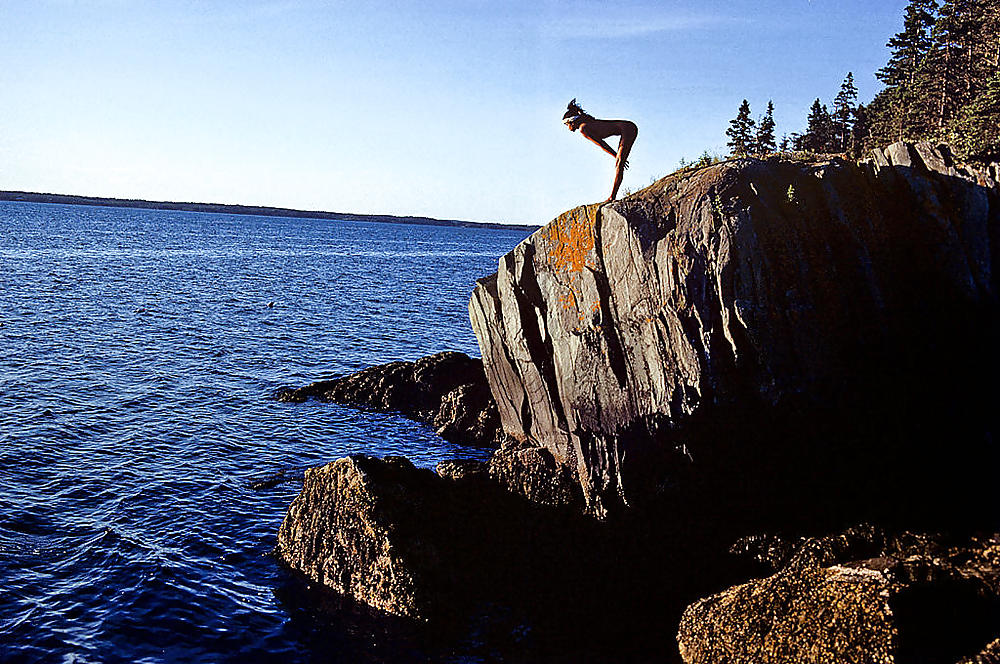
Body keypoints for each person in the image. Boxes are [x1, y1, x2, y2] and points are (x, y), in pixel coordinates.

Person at [562, 99, 638, 202]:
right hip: (628, 127)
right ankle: (612, 195)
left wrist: (616, 156)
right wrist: (617, 156)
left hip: (628, 129)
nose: (568, 128)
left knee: (619, 163)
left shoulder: (583, 128)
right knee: (619, 162)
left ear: (571, 121)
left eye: (567, 125)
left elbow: (602, 144)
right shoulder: (586, 125)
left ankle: (612, 197)